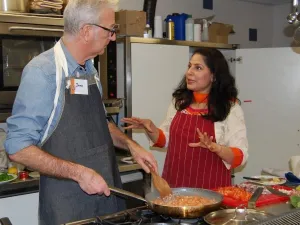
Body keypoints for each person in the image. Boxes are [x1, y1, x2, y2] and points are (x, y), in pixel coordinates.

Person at [4, 0, 157, 224]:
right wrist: (79, 173)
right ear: (86, 31)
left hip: (108, 200)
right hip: (69, 208)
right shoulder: (42, 73)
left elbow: (101, 123)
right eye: (110, 30)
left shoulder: (90, 70)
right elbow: (17, 148)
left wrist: (132, 146)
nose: (113, 37)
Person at [122, 48, 248, 189]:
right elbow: (166, 140)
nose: (189, 72)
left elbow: (240, 156)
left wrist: (216, 148)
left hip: (212, 189)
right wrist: (150, 129)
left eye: (198, 68)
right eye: (189, 66)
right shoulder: (180, 102)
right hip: (174, 185)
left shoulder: (230, 108)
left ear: (213, 76)